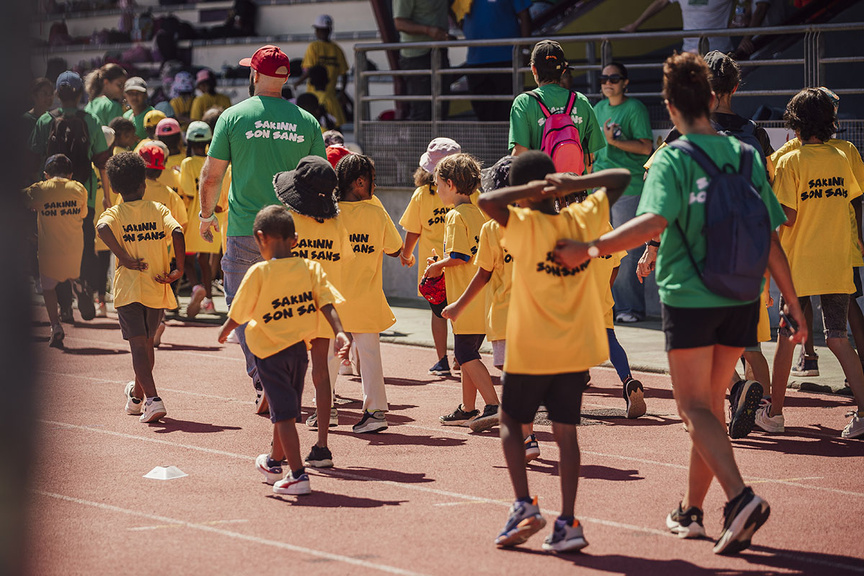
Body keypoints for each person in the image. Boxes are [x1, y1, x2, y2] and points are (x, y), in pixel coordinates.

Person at [550, 52, 805, 554]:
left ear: (670, 106)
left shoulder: (673, 155)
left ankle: (739, 498)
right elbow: (771, 234)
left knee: (693, 408)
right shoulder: (747, 154)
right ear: (712, 99)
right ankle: (691, 511)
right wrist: (790, 301)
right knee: (708, 408)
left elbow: (652, 223)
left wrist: (593, 247)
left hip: (690, 295)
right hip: (741, 293)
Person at [476, 151, 631, 552]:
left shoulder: (523, 222)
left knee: (511, 423)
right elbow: (621, 177)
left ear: (524, 194)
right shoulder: (580, 219)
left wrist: (533, 190)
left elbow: (486, 202)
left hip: (530, 347)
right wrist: (570, 184)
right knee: (566, 433)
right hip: (574, 349)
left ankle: (524, 505)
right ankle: (568, 521)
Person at [197, 45, 326, 414]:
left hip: (244, 229)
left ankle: (263, 379)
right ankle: (285, 379)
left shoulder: (233, 116)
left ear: (254, 75)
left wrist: (207, 217)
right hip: (291, 230)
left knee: (243, 307)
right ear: (285, 79)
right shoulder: (306, 121)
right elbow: (318, 178)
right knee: (290, 307)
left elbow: (211, 176)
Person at [218, 205, 350, 496]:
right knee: (285, 409)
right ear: (296, 239)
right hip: (297, 354)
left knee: (284, 417)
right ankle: (273, 462)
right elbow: (326, 303)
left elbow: (238, 313)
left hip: (269, 355)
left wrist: (225, 330)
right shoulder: (311, 268)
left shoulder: (258, 272)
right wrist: (340, 331)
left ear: (260, 238)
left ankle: (298, 474)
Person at [762, 88, 864, 440]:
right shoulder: (840, 158)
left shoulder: (791, 162)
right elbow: (850, 201)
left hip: (799, 267)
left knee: (786, 338)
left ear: (795, 125)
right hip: (836, 261)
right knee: (838, 338)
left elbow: (788, 217)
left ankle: (773, 413)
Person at [442, 155, 541, 461]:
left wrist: (458, 305)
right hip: (538, 315)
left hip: (504, 316)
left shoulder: (492, 228)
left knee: (512, 379)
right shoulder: (542, 224)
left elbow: (483, 274)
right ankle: (525, 433)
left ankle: (525, 434)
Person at [273, 155, 353, 465]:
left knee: (286, 378)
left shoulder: (288, 221)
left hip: (292, 306)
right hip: (324, 306)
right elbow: (344, 257)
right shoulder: (337, 222)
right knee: (321, 376)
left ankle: (278, 449)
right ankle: (321, 446)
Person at [97, 152, 185, 423]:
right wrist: (178, 269)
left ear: (113, 187)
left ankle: (154, 399)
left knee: (138, 348)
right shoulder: (158, 209)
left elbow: (101, 227)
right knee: (146, 347)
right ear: (143, 184)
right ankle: (137, 397)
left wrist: (123, 257)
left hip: (128, 290)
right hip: (156, 285)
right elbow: (178, 232)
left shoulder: (115, 212)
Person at [423, 154, 500, 432]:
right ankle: (468, 407)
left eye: (438, 185)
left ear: (452, 185)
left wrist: (436, 267)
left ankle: (493, 405)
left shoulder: (455, 215)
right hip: (481, 296)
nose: (437, 189)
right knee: (467, 353)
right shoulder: (478, 212)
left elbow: (459, 256)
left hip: (465, 299)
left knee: (466, 354)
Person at [29, 71, 111, 324]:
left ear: (56, 94)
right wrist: (107, 196)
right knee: (84, 247)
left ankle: (65, 306)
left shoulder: (45, 120)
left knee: (53, 253)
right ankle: (82, 283)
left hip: (51, 196)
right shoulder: (91, 120)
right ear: (80, 94)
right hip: (82, 196)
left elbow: (33, 158)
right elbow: (101, 162)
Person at [334, 154, 404, 433]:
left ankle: (324, 410)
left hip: (334, 302)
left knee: (328, 356)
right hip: (367, 299)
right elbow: (395, 248)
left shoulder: (329, 212)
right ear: (360, 183)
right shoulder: (376, 212)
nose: (376, 186)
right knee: (371, 357)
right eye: (373, 181)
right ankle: (376, 412)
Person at [399, 138, 471, 376]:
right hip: (462, 264)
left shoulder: (422, 194)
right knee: (460, 311)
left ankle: (443, 359)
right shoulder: (473, 194)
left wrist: (406, 254)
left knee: (438, 311)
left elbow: (414, 229)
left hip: (435, 266)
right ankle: (462, 356)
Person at [591, 61, 653, 323]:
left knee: (627, 251)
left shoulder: (635, 108)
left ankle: (631, 308)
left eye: (614, 78)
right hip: (600, 187)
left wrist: (615, 140)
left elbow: (646, 147)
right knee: (603, 251)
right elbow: (593, 148)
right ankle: (610, 307)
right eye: (603, 78)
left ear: (625, 82)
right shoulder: (598, 108)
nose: (608, 82)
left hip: (629, 187)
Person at [508, 40, 605, 170]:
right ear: (564, 70)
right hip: (576, 185)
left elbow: (520, 153)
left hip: (541, 187)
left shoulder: (523, 102)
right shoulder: (581, 101)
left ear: (533, 69)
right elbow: (589, 157)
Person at [24, 154, 88, 348]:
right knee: (71, 273)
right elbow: (83, 213)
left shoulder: (40, 190)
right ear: (70, 174)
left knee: (48, 288)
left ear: (46, 174)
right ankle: (77, 286)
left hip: (49, 250)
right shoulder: (78, 188)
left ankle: (55, 325)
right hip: (75, 247)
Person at [459, 0, 531, 121]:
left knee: (510, 113)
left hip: (507, 60)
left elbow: (525, 16)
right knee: (483, 114)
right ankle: (492, 141)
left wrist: (525, 50)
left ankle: (510, 140)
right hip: (476, 61)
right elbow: (451, 9)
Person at [621, 0, 771, 55]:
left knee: (714, 102)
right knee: (684, 100)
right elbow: (661, 2)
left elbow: (761, 6)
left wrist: (747, 37)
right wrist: (635, 25)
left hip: (719, 54)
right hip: (688, 53)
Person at [180, 121, 219, 318]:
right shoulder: (215, 161)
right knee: (205, 260)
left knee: (187, 260)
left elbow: (187, 191)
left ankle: (196, 288)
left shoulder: (187, 163)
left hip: (194, 217)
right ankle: (209, 300)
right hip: (213, 217)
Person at [393, 0, 451, 120]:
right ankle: (419, 139)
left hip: (439, 52)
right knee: (422, 111)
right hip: (416, 57)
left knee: (442, 108)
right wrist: (429, 30)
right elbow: (399, 23)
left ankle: (438, 138)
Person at [294, 15, 349, 127]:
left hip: (314, 96)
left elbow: (309, 70)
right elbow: (344, 73)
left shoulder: (314, 47)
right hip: (330, 94)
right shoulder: (337, 49)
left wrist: (298, 82)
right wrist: (342, 91)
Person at [84, 63, 128, 127]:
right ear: (106, 82)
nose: (123, 89)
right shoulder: (113, 106)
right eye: (120, 85)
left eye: (124, 86)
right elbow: (119, 135)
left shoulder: (89, 105)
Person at [122, 77, 155, 142]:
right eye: (131, 93)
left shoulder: (152, 115)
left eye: (138, 93)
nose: (134, 97)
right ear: (125, 95)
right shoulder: (126, 116)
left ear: (145, 95)